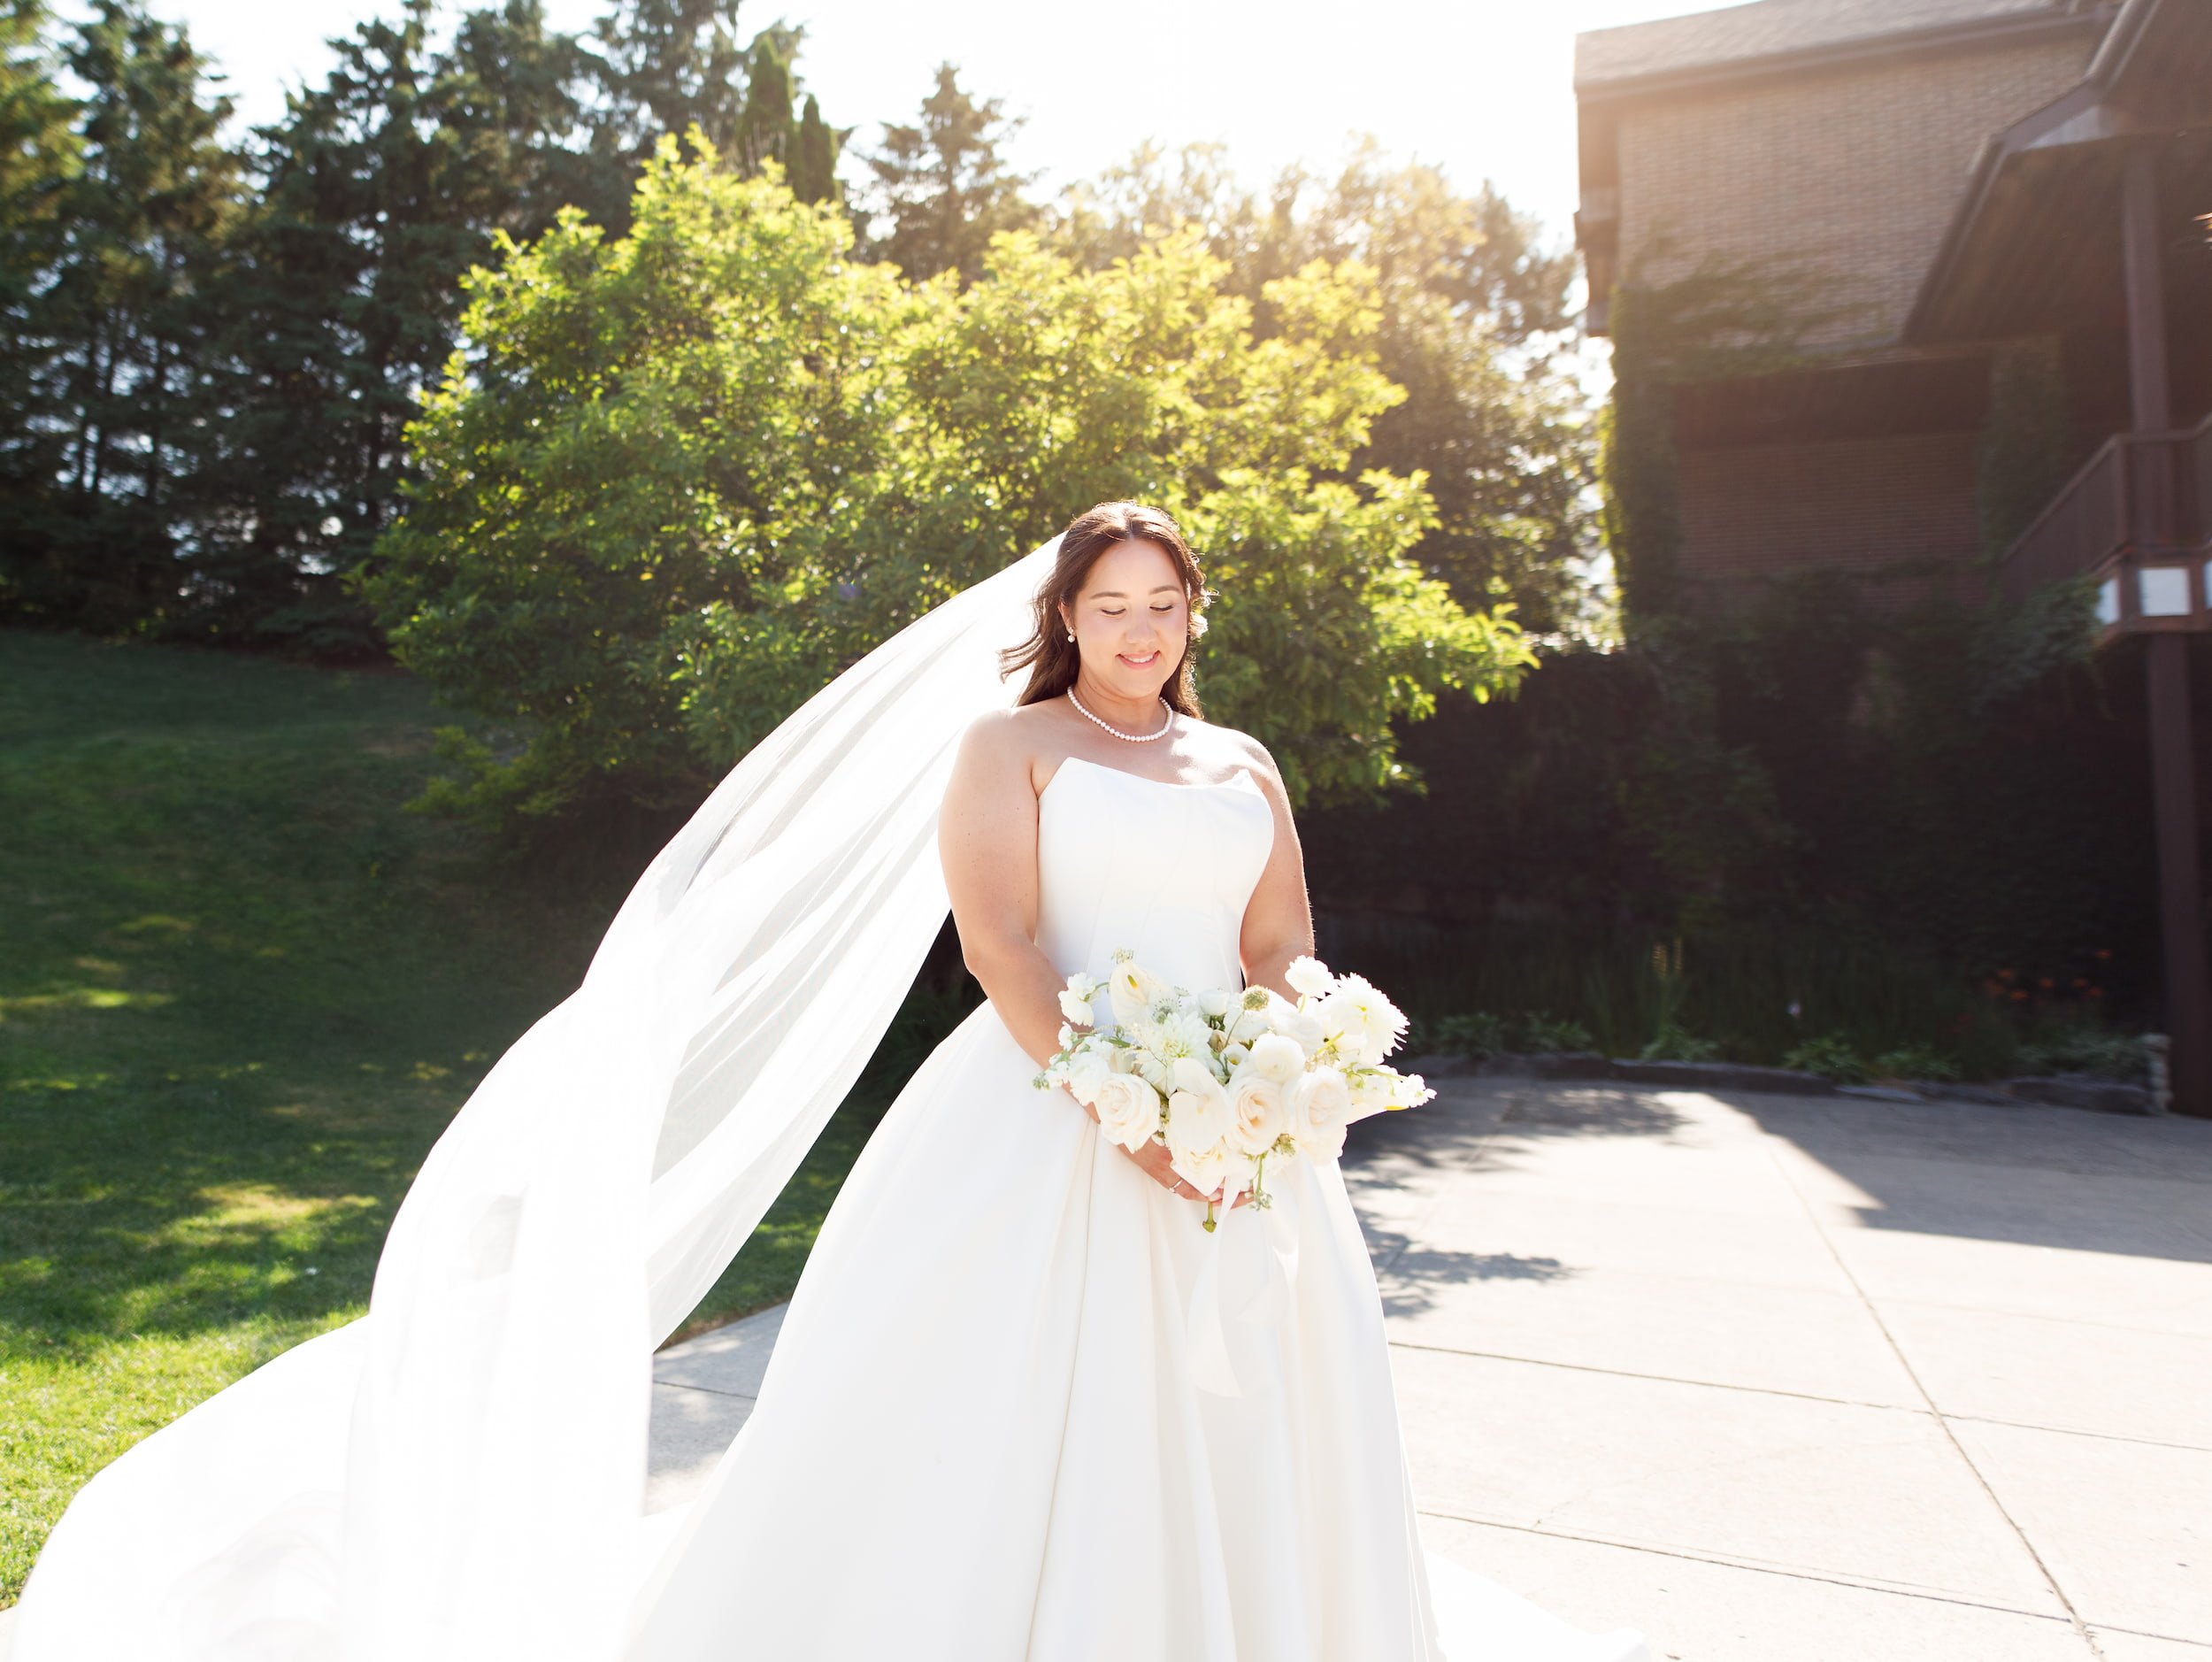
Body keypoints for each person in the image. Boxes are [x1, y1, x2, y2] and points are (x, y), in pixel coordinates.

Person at [12, 501, 1647, 1661]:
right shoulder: (1010, 752)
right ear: (1067, 617)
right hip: (1051, 1106)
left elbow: (1281, 932)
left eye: (1167, 604)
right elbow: (1003, 946)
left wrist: (1311, 1043)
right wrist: (1134, 1115)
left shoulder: (1244, 764)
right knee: (999, 1423)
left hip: (1248, 1137)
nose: (1141, 631)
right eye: (1112, 605)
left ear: (1194, 615)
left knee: (1258, 1411)